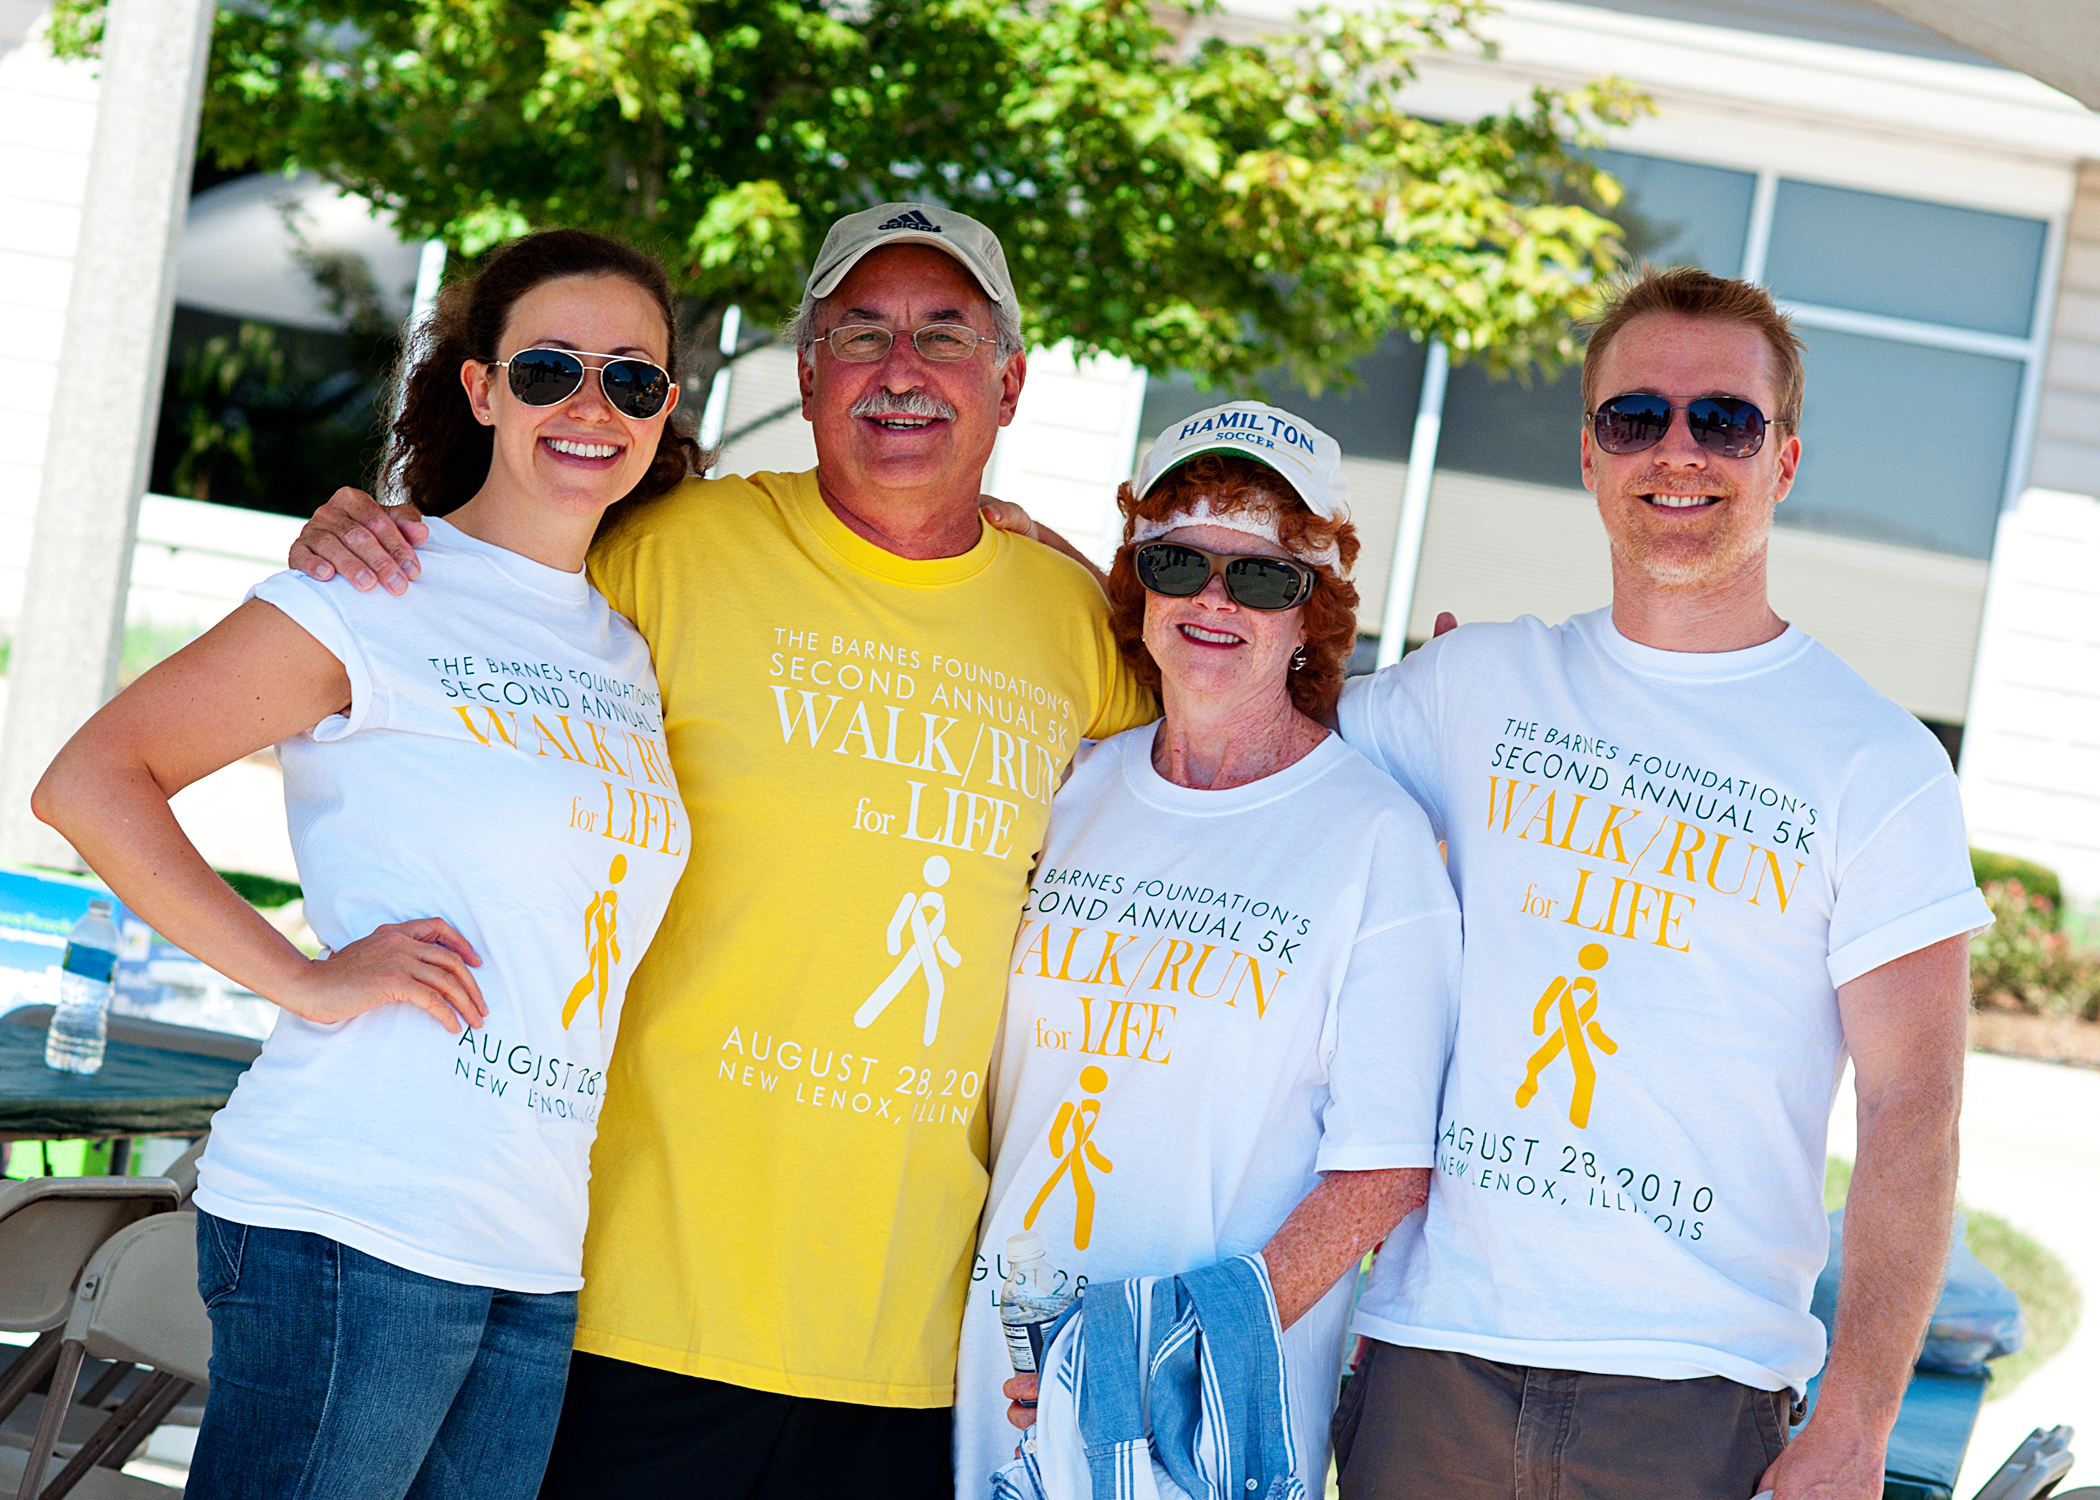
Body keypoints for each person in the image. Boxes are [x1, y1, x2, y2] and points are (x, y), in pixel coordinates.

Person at [285, 202, 1154, 1497]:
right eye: (858, 332)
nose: (901, 368)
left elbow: (1245, 773)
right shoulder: (665, 550)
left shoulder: (1075, 623)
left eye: (944, 335)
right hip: (629, 1299)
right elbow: (470, 588)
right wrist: (358, 529)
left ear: (1010, 384)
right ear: (805, 373)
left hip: (907, 1343)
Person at [31, 229, 698, 1498]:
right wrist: (303, 979)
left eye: (631, 379)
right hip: (353, 1214)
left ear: (665, 408)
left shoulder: (627, 643)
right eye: (549, 369)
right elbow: (92, 781)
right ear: (482, 388)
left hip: (530, 1246)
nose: (590, 406)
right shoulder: (373, 590)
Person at [1328, 266, 1993, 1500]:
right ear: (1590, 455)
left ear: (1783, 461)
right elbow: (1245, 751)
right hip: (1435, 1364)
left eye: (1724, 420)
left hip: (1697, 1392)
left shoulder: (1877, 763)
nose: (1677, 451)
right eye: (1636, 417)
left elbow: (1916, 1108)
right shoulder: (1473, 688)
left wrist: (1857, 1420)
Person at [952, 405, 1462, 1497]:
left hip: (1197, 1426)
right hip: (999, 1379)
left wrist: (1155, 1361)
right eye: (1180, 562)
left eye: (1264, 576)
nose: (1215, 601)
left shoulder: (1373, 837)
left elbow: (1384, 1172)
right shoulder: (1073, 784)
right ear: (1139, 585)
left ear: (1314, 610)